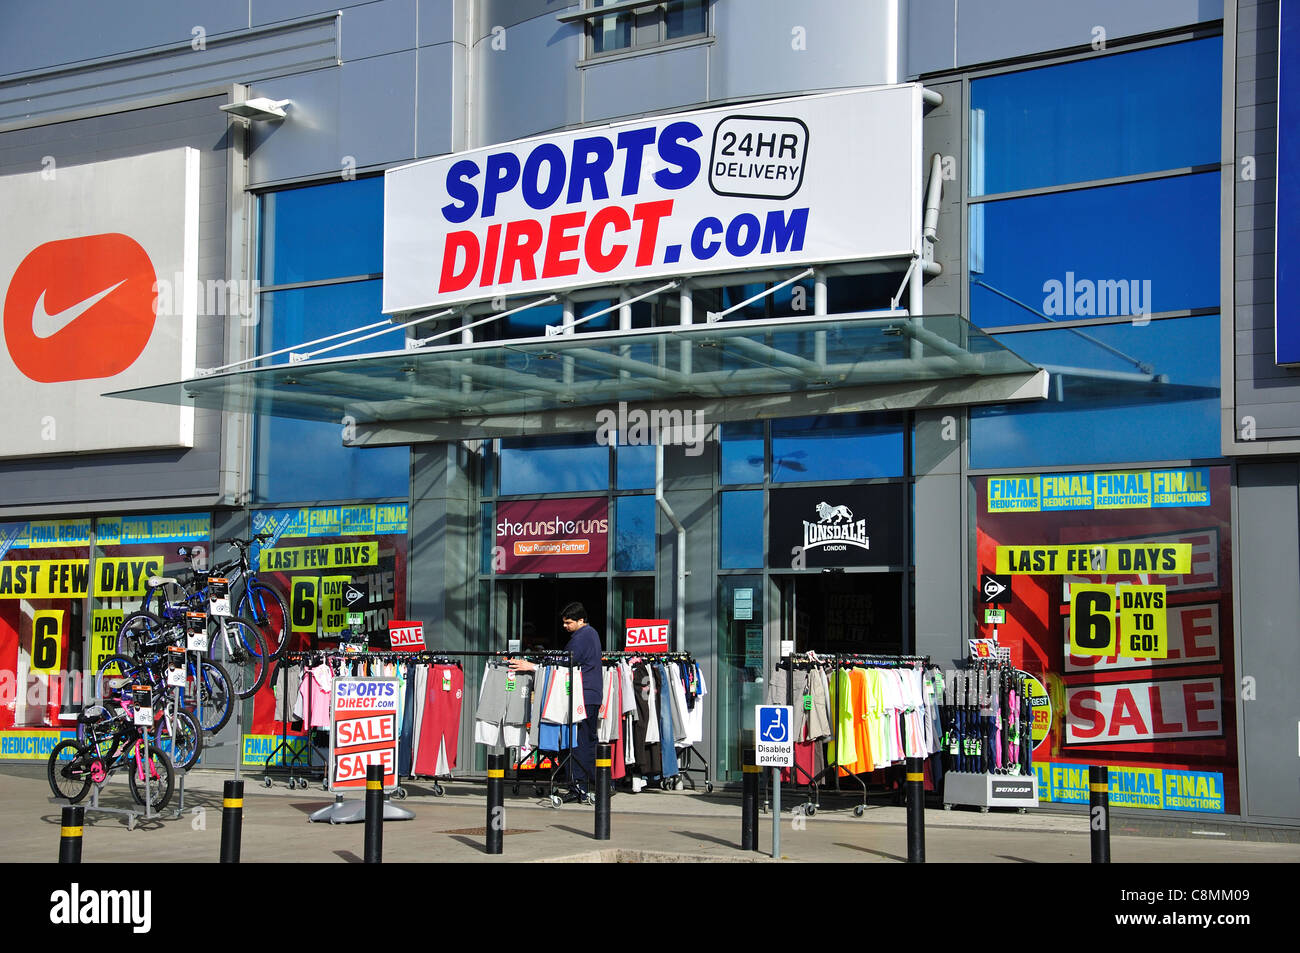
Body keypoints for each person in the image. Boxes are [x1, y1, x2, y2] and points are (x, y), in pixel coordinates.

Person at [509, 602, 603, 803]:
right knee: (586, 741)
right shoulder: (591, 635)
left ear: (581, 620)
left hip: (582, 696)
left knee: (578, 742)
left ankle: (579, 787)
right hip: (590, 695)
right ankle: (591, 784)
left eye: (568, 622)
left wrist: (532, 665)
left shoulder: (582, 637)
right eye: (564, 622)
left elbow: (563, 663)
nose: (565, 626)